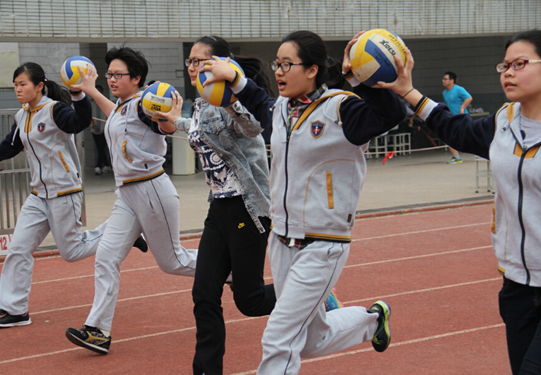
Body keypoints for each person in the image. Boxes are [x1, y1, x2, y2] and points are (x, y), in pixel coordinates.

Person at [200, 30, 406, 374]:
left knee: (279, 338)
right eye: (276, 64)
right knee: (310, 341)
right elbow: (255, 99)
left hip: (323, 246)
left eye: (287, 64)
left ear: (312, 70)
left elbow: (389, 115)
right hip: (281, 242)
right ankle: (371, 321)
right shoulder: (280, 109)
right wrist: (234, 77)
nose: (279, 71)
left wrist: (362, 74)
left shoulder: (342, 109)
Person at [381, 29, 541, 375]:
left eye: (520, 64)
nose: (508, 72)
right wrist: (407, 91)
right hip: (516, 285)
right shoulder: (504, 122)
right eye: (505, 65)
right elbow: (456, 129)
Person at [65, 46, 198, 355]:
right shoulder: (125, 106)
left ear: (136, 78)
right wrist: (90, 89)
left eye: (118, 74)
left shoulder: (145, 104)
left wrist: (169, 121)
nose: (112, 79)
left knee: (173, 262)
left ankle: (231, 271)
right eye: (109, 74)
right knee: (106, 257)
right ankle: (98, 330)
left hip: (151, 190)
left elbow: (159, 124)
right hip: (127, 194)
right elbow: (116, 114)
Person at [156, 35, 276, 375]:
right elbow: (202, 130)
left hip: (247, 207)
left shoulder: (231, 98)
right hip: (219, 209)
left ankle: (310, 294)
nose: (192, 67)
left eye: (200, 61)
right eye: (190, 61)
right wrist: (174, 122)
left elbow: (253, 127)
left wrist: (231, 99)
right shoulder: (202, 102)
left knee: (249, 301)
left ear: (220, 64)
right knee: (204, 294)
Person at [0, 63, 113, 328]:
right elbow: (10, 146)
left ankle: (122, 232)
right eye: (15, 85)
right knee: (18, 248)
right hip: (38, 195)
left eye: (23, 84)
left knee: (72, 251)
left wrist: (79, 95)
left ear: (39, 86)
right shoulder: (22, 116)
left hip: (64, 192)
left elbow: (78, 123)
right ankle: (16, 310)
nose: (18, 89)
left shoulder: (55, 110)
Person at [441, 71, 473, 164]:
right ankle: (456, 157)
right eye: (443, 79)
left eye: (445, 79)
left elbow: (469, 98)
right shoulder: (444, 93)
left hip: (462, 118)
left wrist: (462, 108)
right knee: (447, 136)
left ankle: (486, 151)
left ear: (452, 80)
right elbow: (445, 104)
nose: (443, 81)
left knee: (469, 136)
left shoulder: (459, 89)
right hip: (451, 119)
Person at [91, 84, 111, 175]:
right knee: (100, 148)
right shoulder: (91, 103)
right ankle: (106, 165)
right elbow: (89, 116)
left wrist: (105, 127)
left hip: (104, 130)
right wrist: (93, 126)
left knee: (101, 148)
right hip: (95, 130)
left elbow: (109, 116)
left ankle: (98, 166)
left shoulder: (105, 102)